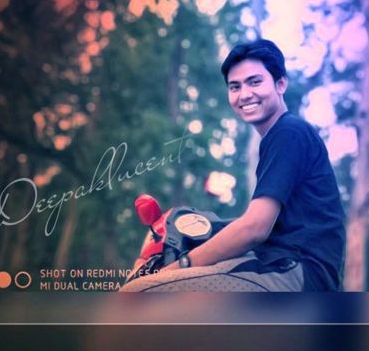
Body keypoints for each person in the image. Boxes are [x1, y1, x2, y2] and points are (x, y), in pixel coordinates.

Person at [120, 39, 345, 292]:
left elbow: (255, 228)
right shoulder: (281, 136)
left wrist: (180, 265)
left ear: (281, 84)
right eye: (235, 86)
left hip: (296, 272)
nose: (244, 94)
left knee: (136, 292)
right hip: (285, 266)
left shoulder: (288, 132)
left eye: (255, 82)